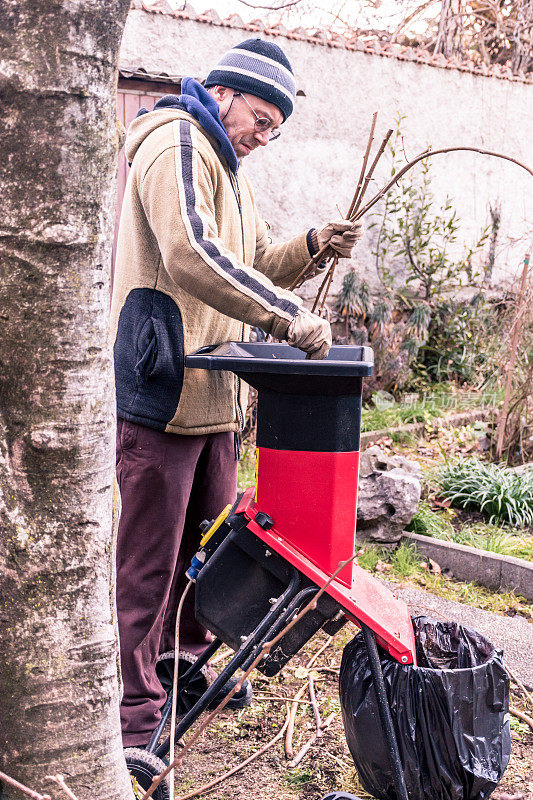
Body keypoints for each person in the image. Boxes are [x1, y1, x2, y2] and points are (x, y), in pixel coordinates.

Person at [111, 37, 363, 747]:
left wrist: (311, 244)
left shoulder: (228, 164)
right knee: (147, 562)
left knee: (209, 551)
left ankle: (182, 665)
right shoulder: (177, 140)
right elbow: (194, 254)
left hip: (213, 396)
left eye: (274, 129)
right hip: (163, 390)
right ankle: (133, 713)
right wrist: (288, 317)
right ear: (222, 94)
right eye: (259, 118)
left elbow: (250, 264)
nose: (263, 136)